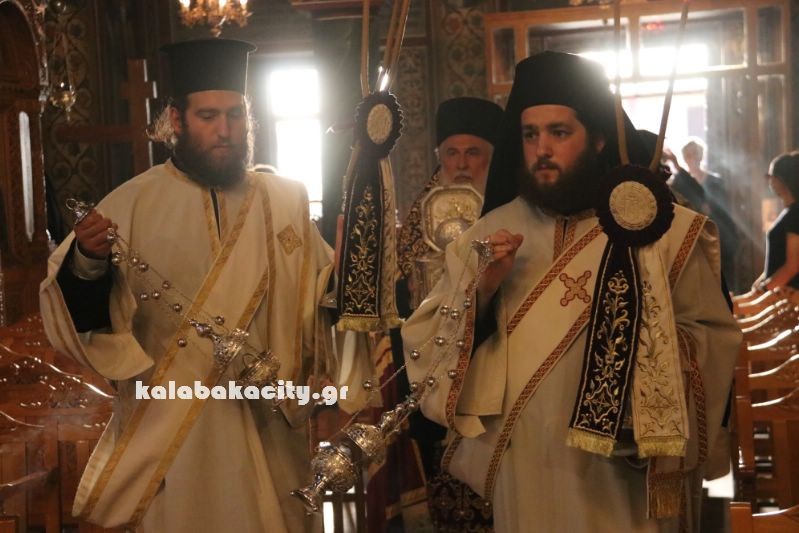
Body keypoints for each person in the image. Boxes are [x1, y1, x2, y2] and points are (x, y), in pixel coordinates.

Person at [402, 51, 741, 532]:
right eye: (529, 135)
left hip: (621, 470)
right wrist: (483, 293)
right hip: (525, 465)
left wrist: (638, 373)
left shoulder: (662, 230)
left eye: (559, 133)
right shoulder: (488, 235)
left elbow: (712, 338)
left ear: (598, 138)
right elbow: (428, 347)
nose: (541, 149)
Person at [39, 38, 344, 532]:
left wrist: (352, 272)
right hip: (173, 431)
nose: (225, 130)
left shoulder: (285, 200)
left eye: (235, 115)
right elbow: (84, 318)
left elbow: (324, 300)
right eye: (208, 116)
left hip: (268, 422)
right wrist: (88, 261)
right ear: (177, 120)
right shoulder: (131, 204)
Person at [367, 97, 502, 532]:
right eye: (451, 153)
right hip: (434, 379)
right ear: (439, 157)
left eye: (473, 153)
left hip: (499, 372)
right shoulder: (417, 220)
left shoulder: (510, 215)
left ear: (492, 158)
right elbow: (398, 306)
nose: (461, 164)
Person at [665, 139, 739, 288]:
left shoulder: (715, 181)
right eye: (688, 154)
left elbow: (723, 210)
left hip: (718, 236)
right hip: (694, 239)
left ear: (701, 155)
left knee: (724, 282)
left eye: (695, 153)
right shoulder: (679, 182)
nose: (692, 157)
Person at [751, 151, 799, 293]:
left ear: (783, 179)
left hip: (787, 296)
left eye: (771, 176)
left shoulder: (795, 214)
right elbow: (776, 263)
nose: (769, 181)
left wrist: (764, 290)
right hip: (777, 291)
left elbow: (792, 266)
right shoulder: (789, 212)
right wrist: (759, 285)